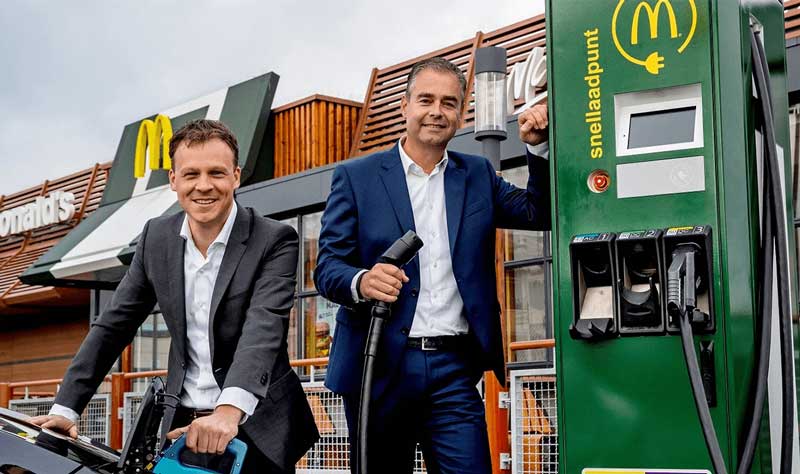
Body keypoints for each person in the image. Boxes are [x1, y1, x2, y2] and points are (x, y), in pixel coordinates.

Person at [30, 119, 319, 473]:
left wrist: (227, 412)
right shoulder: (156, 238)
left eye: (216, 173)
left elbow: (263, 328)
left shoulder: (274, 239)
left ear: (236, 177)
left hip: (256, 426)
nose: (203, 185)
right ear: (173, 180)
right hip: (182, 427)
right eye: (191, 174)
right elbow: (113, 326)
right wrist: (66, 408)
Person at [313, 57, 550, 474]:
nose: (437, 111)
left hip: (453, 369)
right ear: (405, 106)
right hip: (378, 366)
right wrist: (363, 281)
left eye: (448, 102)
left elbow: (539, 212)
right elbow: (328, 267)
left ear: (461, 113)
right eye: (426, 100)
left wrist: (537, 147)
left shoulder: (477, 174)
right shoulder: (356, 177)